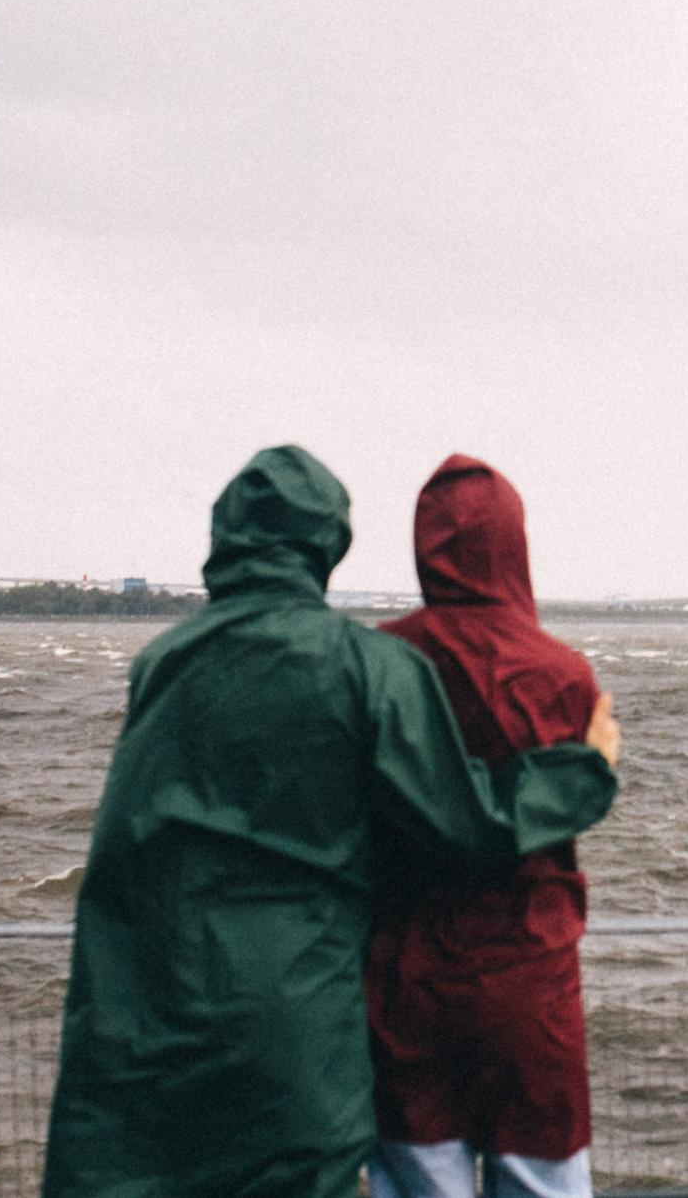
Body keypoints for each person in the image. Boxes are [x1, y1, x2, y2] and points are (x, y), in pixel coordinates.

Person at [41, 446, 620, 1198]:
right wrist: (584, 770)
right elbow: (465, 817)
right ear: (328, 541)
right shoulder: (370, 666)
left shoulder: (163, 660)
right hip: (303, 1010)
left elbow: (126, 845)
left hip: (146, 1000)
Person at [364, 456, 607, 1198]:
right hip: (529, 983)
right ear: (515, 543)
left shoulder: (380, 662)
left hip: (407, 984)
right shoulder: (566, 675)